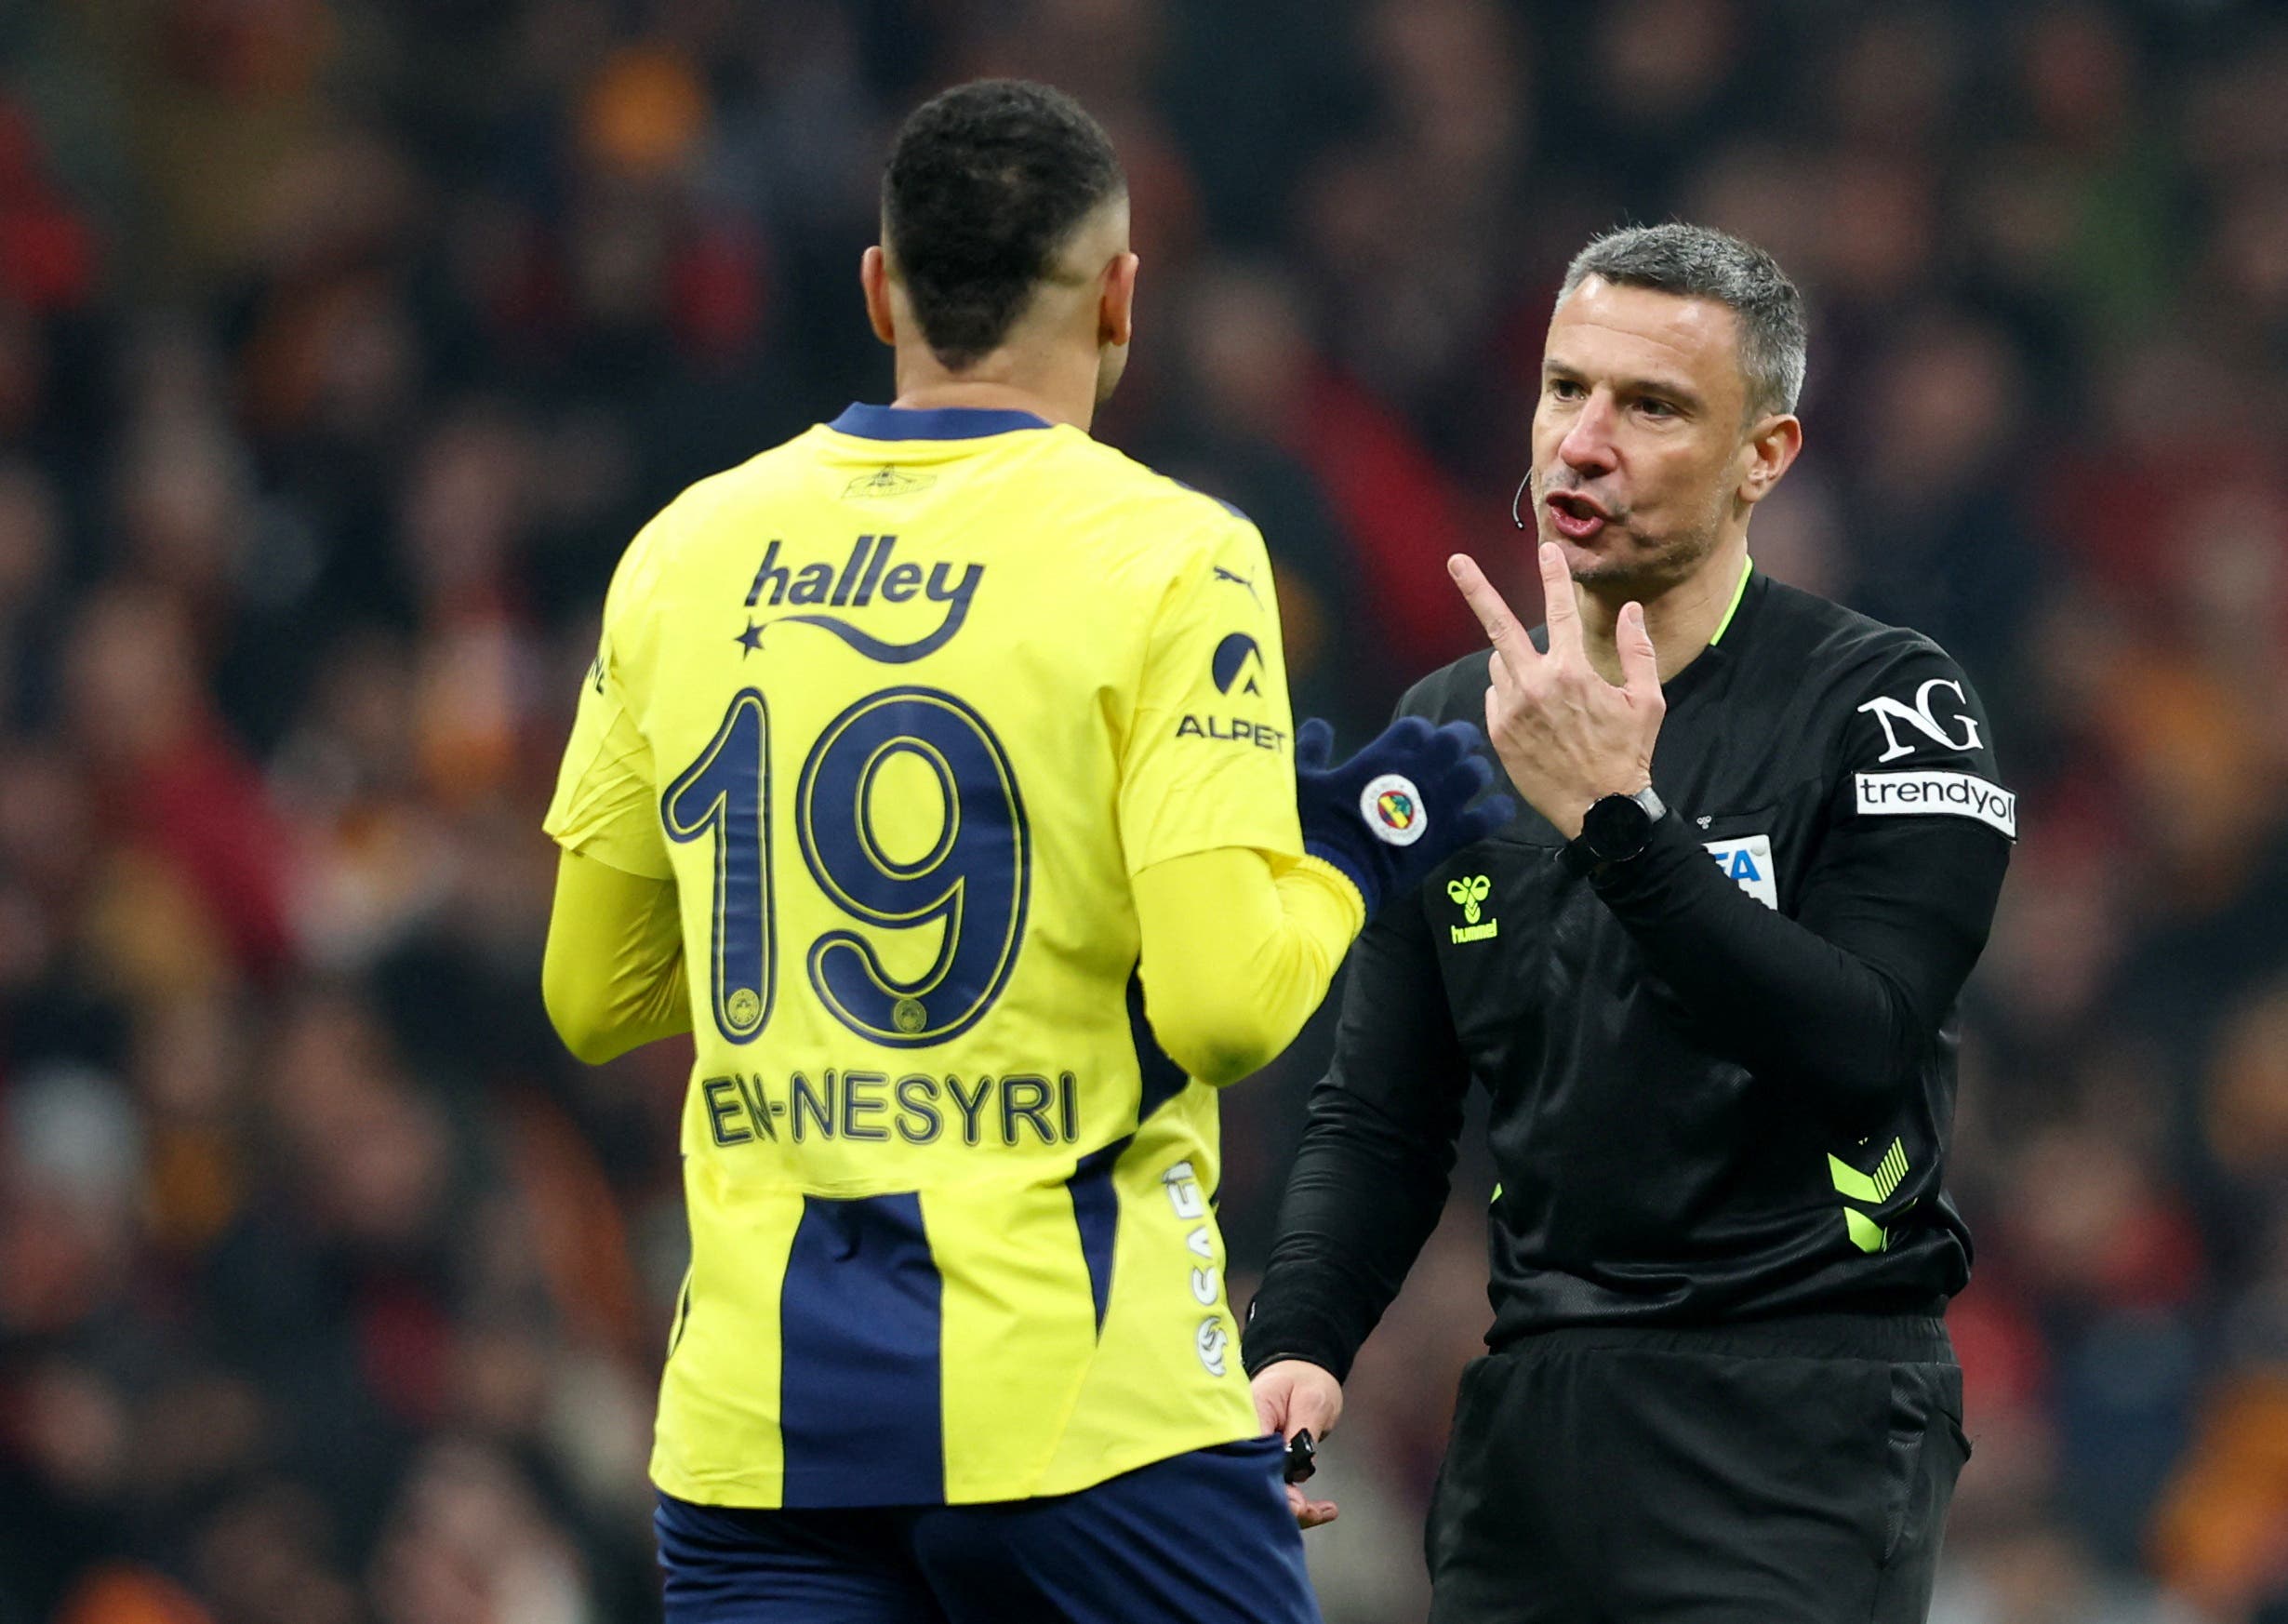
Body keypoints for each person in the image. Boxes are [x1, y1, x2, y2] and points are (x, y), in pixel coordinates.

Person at [537, 79, 1504, 1624]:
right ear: (1122, 296)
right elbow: (1225, 1008)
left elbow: (594, 993)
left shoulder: (685, 553)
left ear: (879, 289)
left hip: (758, 1435)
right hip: (1086, 1417)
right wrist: (1363, 845)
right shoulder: (1171, 552)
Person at [1244, 223, 2016, 1623]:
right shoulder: (1442, 734)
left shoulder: (1888, 705)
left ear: (1763, 457)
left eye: (1652, 406)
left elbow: (1863, 1038)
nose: (1583, 443)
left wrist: (1620, 822)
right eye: (1564, 389)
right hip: (1535, 1419)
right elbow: (1382, 1111)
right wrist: (1301, 1336)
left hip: (1800, 1421)